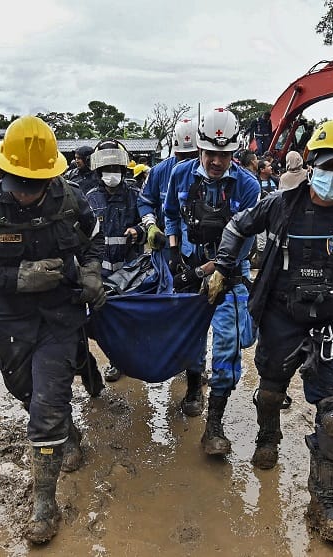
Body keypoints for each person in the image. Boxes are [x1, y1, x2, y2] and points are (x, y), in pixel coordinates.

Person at [211, 119, 333, 543]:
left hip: (329, 324)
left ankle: (324, 502)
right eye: (328, 167)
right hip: (281, 316)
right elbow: (237, 227)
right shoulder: (281, 204)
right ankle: (267, 435)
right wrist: (222, 266)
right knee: (270, 390)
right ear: (311, 164)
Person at [0, 116, 104, 544]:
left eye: (38, 183)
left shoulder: (71, 200)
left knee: (48, 400)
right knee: (24, 390)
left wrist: (91, 272)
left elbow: (95, 241)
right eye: (20, 182)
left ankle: (45, 504)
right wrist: (17, 277)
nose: (29, 192)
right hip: (11, 318)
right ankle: (66, 430)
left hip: (60, 314)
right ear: (1, 171)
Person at [163, 107, 260, 455]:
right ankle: (192, 387)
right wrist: (174, 255)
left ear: (234, 153)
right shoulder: (180, 176)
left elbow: (246, 238)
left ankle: (214, 423)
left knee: (227, 345)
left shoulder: (248, 186)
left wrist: (211, 269)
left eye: (225, 155)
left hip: (230, 273)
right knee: (189, 336)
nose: (217, 161)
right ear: (200, 149)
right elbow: (171, 216)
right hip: (189, 267)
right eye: (210, 153)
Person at [137, 116, 199, 411]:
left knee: (196, 317)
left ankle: (195, 379)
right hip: (165, 255)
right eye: (182, 156)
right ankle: (172, 360)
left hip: (198, 257)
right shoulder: (159, 172)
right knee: (168, 310)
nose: (186, 162)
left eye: (191, 156)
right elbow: (144, 201)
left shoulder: (205, 174)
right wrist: (151, 225)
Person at [81, 139, 143, 382]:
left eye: (116, 169)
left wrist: (138, 229)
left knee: (132, 319)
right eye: (107, 170)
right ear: (98, 172)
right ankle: (116, 362)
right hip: (103, 273)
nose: (112, 174)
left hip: (131, 272)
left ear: (124, 170)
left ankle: (134, 360)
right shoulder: (91, 197)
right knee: (107, 322)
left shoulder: (136, 195)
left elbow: (151, 218)